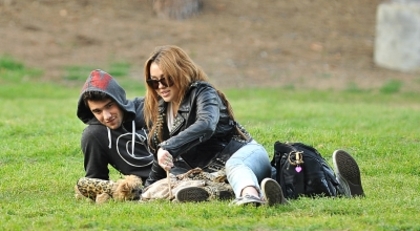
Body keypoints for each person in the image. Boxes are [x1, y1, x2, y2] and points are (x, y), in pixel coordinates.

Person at [142, 45, 288, 206]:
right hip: (212, 172)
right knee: (177, 183)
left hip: (244, 154)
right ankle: (243, 194)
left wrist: (168, 146)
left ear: (180, 72)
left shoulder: (204, 92)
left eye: (166, 79)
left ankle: (251, 196)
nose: (160, 86)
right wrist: (146, 190)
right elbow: (160, 153)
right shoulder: (162, 107)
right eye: (154, 82)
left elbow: (206, 124)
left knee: (235, 165)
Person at [76, 69, 154, 183]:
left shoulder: (150, 108)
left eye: (110, 106)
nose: (106, 116)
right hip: (148, 186)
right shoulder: (95, 135)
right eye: (97, 111)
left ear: (119, 99)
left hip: (180, 171)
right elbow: (97, 182)